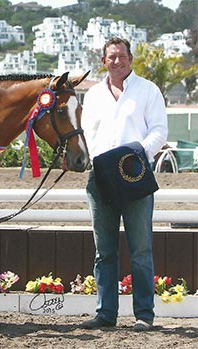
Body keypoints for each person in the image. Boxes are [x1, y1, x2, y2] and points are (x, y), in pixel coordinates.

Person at [80, 37, 168, 331]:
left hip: (135, 177)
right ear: (103, 61)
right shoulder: (92, 95)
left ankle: (144, 314)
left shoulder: (148, 91)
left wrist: (134, 156)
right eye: (111, 57)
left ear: (131, 59)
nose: (116, 61)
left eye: (121, 56)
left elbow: (158, 130)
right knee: (103, 251)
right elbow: (87, 134)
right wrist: (100, 163)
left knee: (140, 250)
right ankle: (105, 313)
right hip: (100, 179)